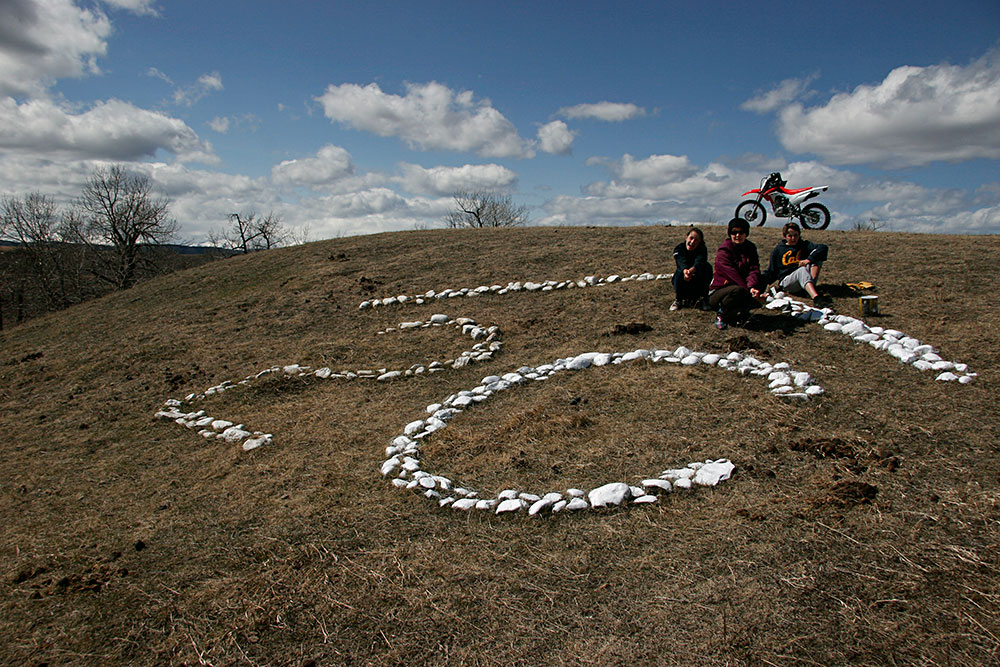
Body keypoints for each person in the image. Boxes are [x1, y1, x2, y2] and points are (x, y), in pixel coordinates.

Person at [708, 218, 766, 329]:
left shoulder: (750, 248)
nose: (737, 235)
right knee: (737, 290)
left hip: (743, 286)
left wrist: (753, 287)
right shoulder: (724, 251)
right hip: (721, 290)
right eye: (734, 232)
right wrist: (749, 290)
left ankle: (743, 313)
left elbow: (754, 268)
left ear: (746, 233)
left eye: (741, 232)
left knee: (761, 281)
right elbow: (733, 275)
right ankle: (722, 314)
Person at [762, 222, 832, 308]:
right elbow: (772, 271)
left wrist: (809, 259)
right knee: (801, 270)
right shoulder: (778, 250)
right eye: (790, 236)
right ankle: (816, 298)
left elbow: (823, 247)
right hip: (787, 281)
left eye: (796, 235)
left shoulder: (804, 245)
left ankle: (811, 287)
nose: (793, 238)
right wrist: (761, 285)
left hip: (804, 276)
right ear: (785, 236)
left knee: (817, 258)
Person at [670, 227, 712, 311]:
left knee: (707, 267)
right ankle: (679, 300)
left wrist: (693, 270)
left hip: (697, 279)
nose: (692, 242)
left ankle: (703, 298)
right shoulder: (679, 248)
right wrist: (685, 271)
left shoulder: (702, 249)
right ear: (686, 237)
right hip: (683, 278)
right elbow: (680, 261)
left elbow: (700, 260)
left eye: (696, 240)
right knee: (679, 272)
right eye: (691, 238)